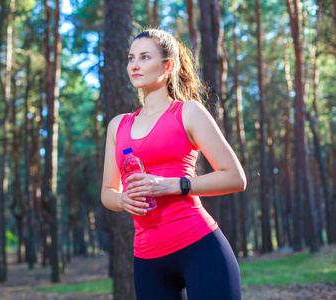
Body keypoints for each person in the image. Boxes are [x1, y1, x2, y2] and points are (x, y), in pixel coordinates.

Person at [101, 29, 247, 300]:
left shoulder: (188, 112)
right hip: (146, 259)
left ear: (168, 66)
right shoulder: (117, 126)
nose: (134, 64)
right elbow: (108, 192)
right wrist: (122, 200)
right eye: (131, 58)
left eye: (145, 57)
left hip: (199, 246)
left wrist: (172, 185)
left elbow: (235, 178)